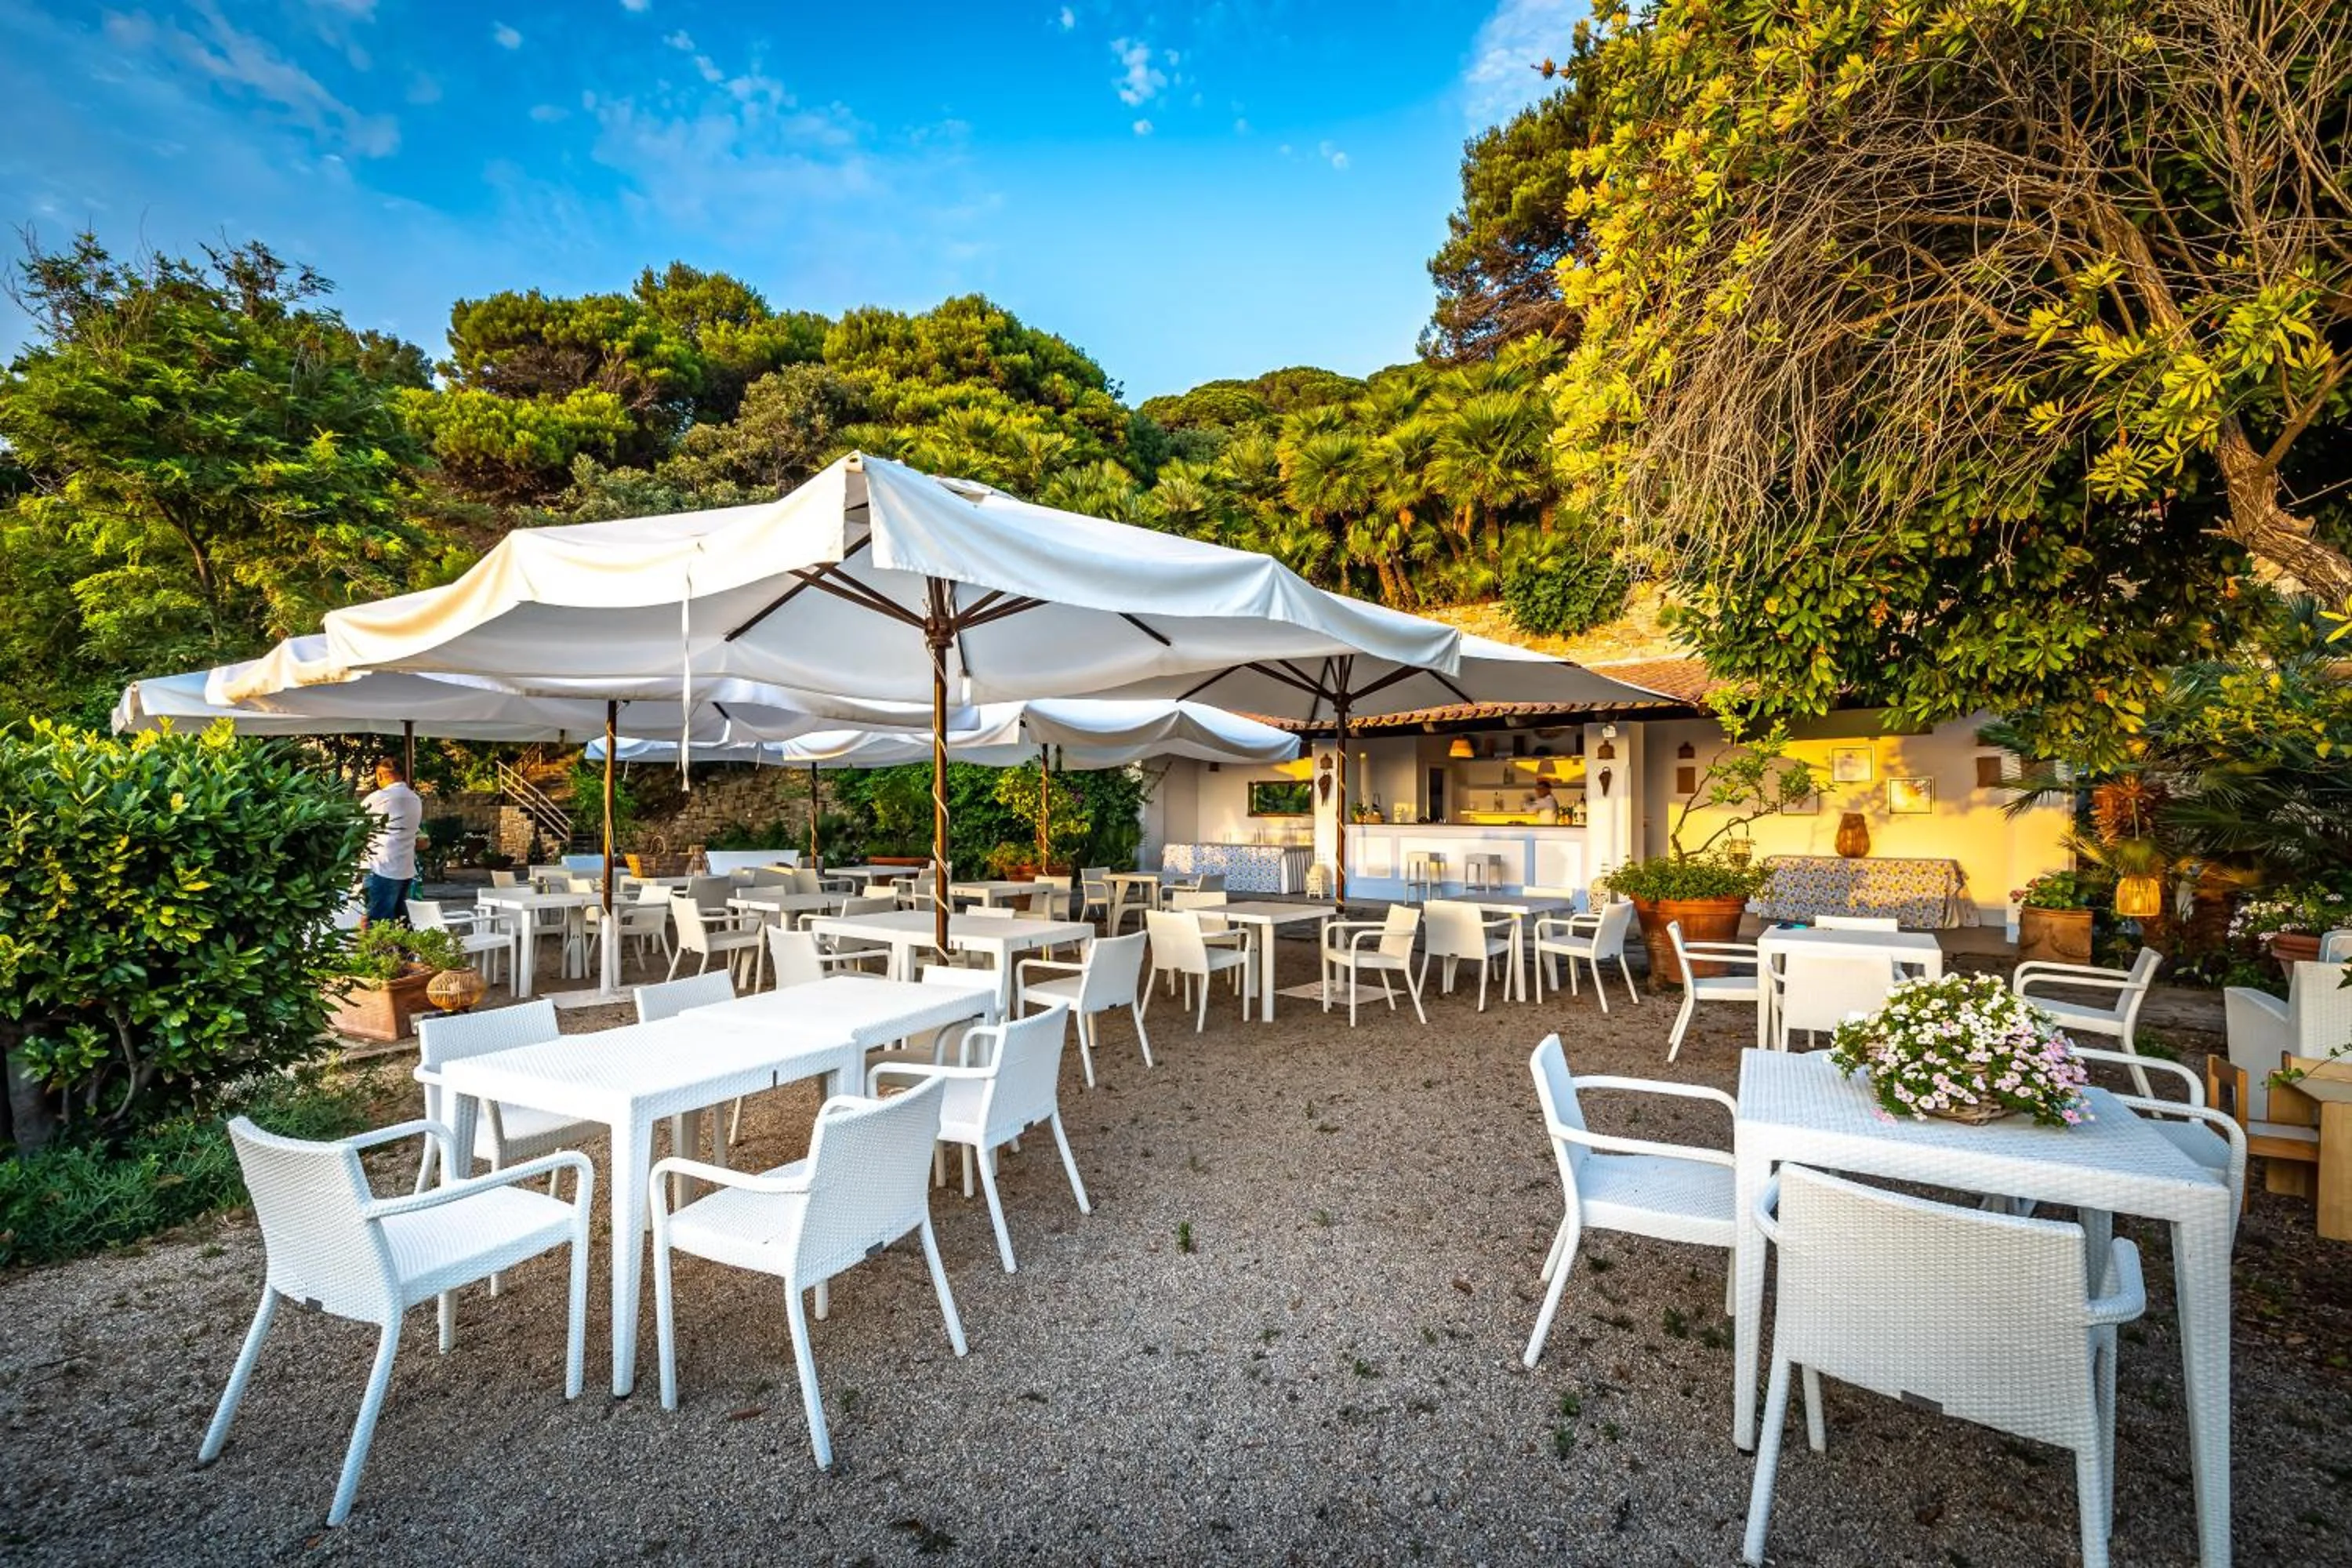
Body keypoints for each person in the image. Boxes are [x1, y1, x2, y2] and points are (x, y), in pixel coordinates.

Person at [359, 755, 423, 928]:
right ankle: (406, 955)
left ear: (380, 775)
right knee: (400, 920)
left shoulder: (380, 797)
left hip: (381, 866)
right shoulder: (415, 799)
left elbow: (354, 825)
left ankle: (381, 956)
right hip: (405, 868)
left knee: (378, 924)